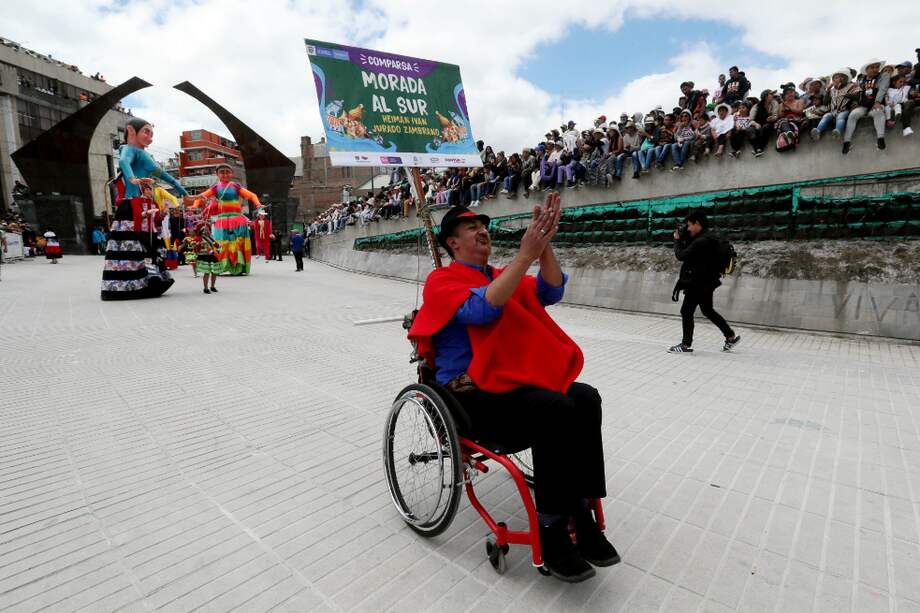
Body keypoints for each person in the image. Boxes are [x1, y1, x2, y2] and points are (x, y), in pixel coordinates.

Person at [407, 194, 619, 583]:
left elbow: (551, 290)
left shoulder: (501, 274)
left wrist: (544, 245)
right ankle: (552, 528)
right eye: (471, 227)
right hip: (469, 396)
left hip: (509, 382)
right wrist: (524, 256)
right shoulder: (442, 281)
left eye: (483, 226)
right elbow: (483, 310)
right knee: (552, 407)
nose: (482, 231)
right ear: (452, 243)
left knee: (584, 397)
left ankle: (583, 514)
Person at [101, 117, 187, 301]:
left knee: (146, 245)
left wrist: (183, 191)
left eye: (152, 133)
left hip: (143, 206)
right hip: (131, 206)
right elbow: (124, 162)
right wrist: (131, 178)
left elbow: (163, 175)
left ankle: (149, 280)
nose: (150, 137)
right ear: (131, 131)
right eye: (146, 132)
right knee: (132, 244)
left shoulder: (142, 153)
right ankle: (130, 285)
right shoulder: (129, 150)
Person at [669, 211, 740, 354]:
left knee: (686, 310)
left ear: (697, 224)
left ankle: (685, 345)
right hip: (708, 281)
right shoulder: (709, 237)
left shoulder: (702, 241)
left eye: (689, 225)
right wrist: (683, 237)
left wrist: (676, 241)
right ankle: (730, 336)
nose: (687, 229)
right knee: (707, 310)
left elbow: (682, 255)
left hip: (698, 282)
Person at [191, 164, 262, 275]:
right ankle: (223, 267)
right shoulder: (216, 187)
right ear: (217, 174)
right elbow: (200, 197)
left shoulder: (235, 186)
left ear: (231, 173)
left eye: (227, 172)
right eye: (222, 172)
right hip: (222, 221)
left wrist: (258, 204)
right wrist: (195, 206)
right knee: (221, 244)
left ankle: (238, 268)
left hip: (237, 219)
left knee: (238, 243)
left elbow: (252, 195)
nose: (225, 174)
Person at [843, 59, 890, 154]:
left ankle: (880, 139)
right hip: (863, 105)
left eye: (877, 67)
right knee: (853, 115)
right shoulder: (861, 80)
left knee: (878, 111)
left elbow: (883, 89)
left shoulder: (884, 76)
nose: (875, 69)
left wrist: (877, 102)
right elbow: (858, 94)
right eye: (872, 67)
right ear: (867, 69)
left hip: (877, 104)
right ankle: (846, 142)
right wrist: (853, 103)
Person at [194, 224, 220, 294]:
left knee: (214, 271)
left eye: (208, 230)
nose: (207, 231)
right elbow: (195, 247)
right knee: (207, 272)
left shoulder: (211, 238)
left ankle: (212, 286)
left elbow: (216, 245)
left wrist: (218, 246)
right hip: (204, 256)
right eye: (205, 230)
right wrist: (199, 244)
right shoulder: (198, 238)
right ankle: (205, 288)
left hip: (212, 255)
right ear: (201, 231)